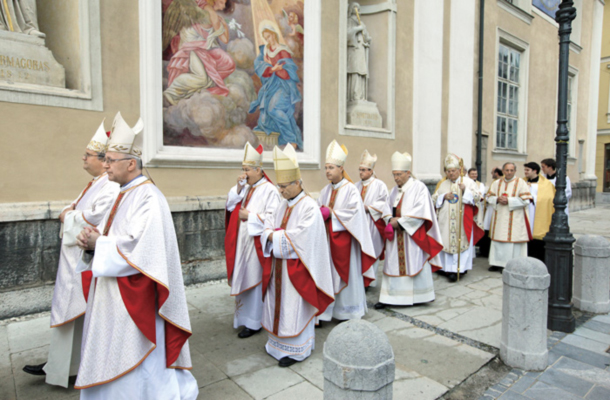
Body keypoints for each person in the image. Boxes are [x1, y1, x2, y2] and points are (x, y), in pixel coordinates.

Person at [74, 112, 198, 399]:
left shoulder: (149, 198)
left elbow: (142, 249)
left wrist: (100, 244)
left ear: (131, 164)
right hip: (112, 292)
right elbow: (114, 237)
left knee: (136, 358)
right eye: (104, 159)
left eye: (110, 160)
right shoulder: (123, 192)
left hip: (135, 298)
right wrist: (91, 242)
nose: (104, 165)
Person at [22, 120, 121, 387]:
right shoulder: (94, 183)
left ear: (102, 161)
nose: (83, 158)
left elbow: (93, 217)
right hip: (73, 259)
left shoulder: (109, 186)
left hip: (85, 259)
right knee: (72, 315)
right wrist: (71, 213)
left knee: (81, 315)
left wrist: (70, 216)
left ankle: (71, 368)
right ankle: (58, 366)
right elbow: (74, 207)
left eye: (87, 155)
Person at [260, 144, 334, 367]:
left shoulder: (309, 207)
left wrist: (276, 236)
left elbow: (302, 238)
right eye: (279, 186)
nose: (280, 191)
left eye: (284, 186)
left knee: (294, 308)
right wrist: (273, 235)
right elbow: (267, 225)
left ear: (297, 183)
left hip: (298, 268)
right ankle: (276, 345)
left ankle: (297, 350)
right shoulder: (281, 204)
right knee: (278, 306)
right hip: (278, 266)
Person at [224, 143, 280, 339]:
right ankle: (243, 318)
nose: (244, 173)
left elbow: (274, 218)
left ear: (258, 169)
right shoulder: (247, 187)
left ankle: (255, 321)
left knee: (254, 280)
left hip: (256, 245)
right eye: (243, 169)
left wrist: (251, 216)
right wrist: (239, 187)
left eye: (247, 169)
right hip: (243, 243)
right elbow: (231, 206)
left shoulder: (269, 190)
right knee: (244, 277)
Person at [375, 151, 443, 309]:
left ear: (407, 173)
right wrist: (388, 220)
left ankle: (419, 296)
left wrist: (402, 222)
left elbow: (422, 211)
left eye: (399, 174)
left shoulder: (419, 188)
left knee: (414, 262)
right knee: (392, 264)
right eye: (394, 175)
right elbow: (385, 207)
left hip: (412, 237)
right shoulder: (394, 190)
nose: (396, 178)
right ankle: (389, 298)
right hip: (396, 236)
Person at [317, 140, 377, 320]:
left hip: (346, 244)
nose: (328, 171)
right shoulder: (324, 190)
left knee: (347, 276)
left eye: (332, 167)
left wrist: (332, 214)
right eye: (326, 167)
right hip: (328, 241)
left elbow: (355, 215)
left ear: (341, 168)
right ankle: (330, 312)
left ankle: (348, 312)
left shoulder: (350, 190)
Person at [163, 0, 236, 104]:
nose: (223, 6)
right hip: (192, 48)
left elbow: (224, 39)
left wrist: (224, 25)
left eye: (224, 3)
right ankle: (171, 92)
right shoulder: (209, 13)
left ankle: (184, 94)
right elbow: (224, 39)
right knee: (202, 78)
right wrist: (223, 25)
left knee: (225, 65)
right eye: (222, 2)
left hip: (199, 48)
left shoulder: (200, 7)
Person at [249, 22, 303, 149]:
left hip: (284, 86)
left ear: (274, 35)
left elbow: (287, 74)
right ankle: (280, 141)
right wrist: (272, 68)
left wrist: (275, 69)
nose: (268, 40)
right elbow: (259, 66)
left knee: (275, 109)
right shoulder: (265, 52)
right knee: (266, 116)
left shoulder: (283, 52)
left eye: (270, 36)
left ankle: (291, 140)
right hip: (271, 87)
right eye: (266, 38)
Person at [433, 155, 484, 282]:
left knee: (460, 244)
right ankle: (446, 268)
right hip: (445, 221)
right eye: (448, 171)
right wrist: (444, 196)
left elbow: (478, 197)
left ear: (459, 170)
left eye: (453, 170)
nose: (451, 173)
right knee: (446, 242)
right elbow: (434, 199)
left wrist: (465, 190)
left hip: (462, 220)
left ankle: (459, 269)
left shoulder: (468, 182)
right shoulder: (443, 184)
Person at [487, 162, 532, 272]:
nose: (509, 172)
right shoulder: (496, 183)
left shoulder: (521, 183)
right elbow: (488, 197)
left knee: (512, 242)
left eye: (511, 170)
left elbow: (526, 200)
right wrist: (497, 199)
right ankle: (496, 262)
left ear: (515, 171)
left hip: (515, 218)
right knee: (498, 240)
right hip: (500, 217)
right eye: (507, 170)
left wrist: (509, 200)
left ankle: (511, 265)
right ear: (503, 171)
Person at [354, 150, 389, 288]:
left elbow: (384, 202)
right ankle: (359, 280)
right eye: (360, 170)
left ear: (371, 170)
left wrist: (369, 208)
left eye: (364, 170)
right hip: (358, 224)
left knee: (371, 250)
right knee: (358, 251)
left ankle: (369, 281)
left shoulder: (379, 185)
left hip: (372, 223)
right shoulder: (355, 186)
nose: (361, 172)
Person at [524, 162, 555, 262]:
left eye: (527, 170)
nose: (525, 172)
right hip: (524, 211)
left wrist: (533, 198)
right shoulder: (522, 182)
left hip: (537, 211)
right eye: (525, 170)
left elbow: (549, 198)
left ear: (535, 171)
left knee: (537, 233)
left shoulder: (546, 184)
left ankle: (538, 258)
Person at [480, 167, 503, 258]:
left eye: (492, 172)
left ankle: (486, 251)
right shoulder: (496, 182)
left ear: (496, 173)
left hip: (494, 209)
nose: (491, 174)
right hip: (491, 208)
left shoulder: (499, 182)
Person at [468, 167, 486, 233]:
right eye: (472, 174)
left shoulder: (480, 184)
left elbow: (480, 194)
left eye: (475, 174)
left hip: (477, 206)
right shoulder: (466, 183)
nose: (474, 175)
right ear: (468, 175)